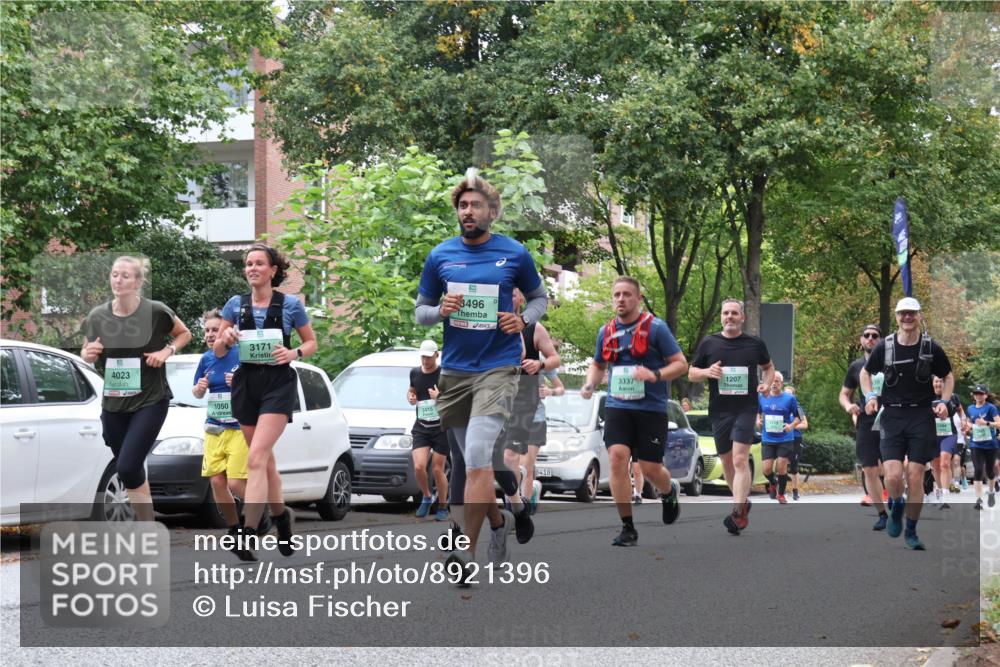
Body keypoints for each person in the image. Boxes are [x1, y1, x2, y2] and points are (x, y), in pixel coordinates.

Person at [415, 169, 547, 584]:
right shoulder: (440, 255)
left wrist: (522, 318)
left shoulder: (515, 253)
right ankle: (505, 516)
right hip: (455, 372)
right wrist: (442, 311)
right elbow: (421, 312)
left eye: (475, 205)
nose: (467, 211)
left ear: (492, 211)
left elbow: (541, 297)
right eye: (462, 205)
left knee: (475, 457)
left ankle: (464, 555)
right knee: (472, 464)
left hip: (498, 369)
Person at [215, 244, 317, 557]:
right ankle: (281, 517)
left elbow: (311, 341)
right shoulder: (235, 305)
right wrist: (226, 339)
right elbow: (218, 350)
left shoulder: (290, 305)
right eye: (248, 264)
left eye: (259, 263)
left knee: (256, 459)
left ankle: (248, 531)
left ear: (273, 270)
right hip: (247, 384)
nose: (252, 268)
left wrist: (294, 353)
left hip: (277, 384)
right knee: (267, 462)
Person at [81, 255, 192, 521]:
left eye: (125, 276)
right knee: (127, 469)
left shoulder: (155, 311)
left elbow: (184, 333)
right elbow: (87, 349)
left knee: (129, 466)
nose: (118, 280)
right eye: (114, 274)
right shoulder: (98, 315)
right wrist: (89, 353)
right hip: (114, 402)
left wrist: (167, 351)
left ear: (139, 281)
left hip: (150, 399)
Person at [580, 276, 687, 546]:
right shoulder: (606, 331)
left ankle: (668, 489)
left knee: (651, 469)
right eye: (616, 294)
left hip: (651, 408)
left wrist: (654, 374)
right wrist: (590, 383)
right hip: (618, 405)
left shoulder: (656, 329)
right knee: (617, 456)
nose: (621, 299)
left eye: (627, 294)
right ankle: (627, 527)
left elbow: (681, 364)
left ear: (638, 298)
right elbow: (597, 364)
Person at [860, 297, 954, 550]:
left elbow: (947, 375)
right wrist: (870, 396)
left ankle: (911, 531)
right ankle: (897, 504)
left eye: (912, 313)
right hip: (891, 416)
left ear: (920, 316)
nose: (907, 318)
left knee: (914, 476)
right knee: (891, 476)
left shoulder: (931, 347)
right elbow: (865, 373)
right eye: (903, 314)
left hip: (921, 416)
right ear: (897, 316)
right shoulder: (885, 347)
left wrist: (944, 401)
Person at [688, 298, 774, 535]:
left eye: (734, 313)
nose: (730, 317)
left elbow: (769, 368)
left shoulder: (754, 344)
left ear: (742, 317)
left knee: (739, 459)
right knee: (727, 462)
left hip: (746, 408)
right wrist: (708, 371)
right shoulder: (709, 343)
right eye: (726, 313)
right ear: (721, 317)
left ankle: (737, 512)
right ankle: (743, 502)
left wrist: (766, 385)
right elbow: (691, 373)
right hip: (719, 411)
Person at [191, 309, 256, 559]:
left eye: (215, 330)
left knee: (236, 482)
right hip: (214, 428)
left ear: (226, 332)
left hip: (239, 428)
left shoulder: (242, 355)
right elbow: (197, 393)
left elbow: (257, 390)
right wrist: (199, 388)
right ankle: (235, 530)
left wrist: (238, 384)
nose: (210, 334)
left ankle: (264, 512)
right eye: (207, 330)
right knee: (216, 481)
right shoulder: (206, 359)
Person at [502, 287, 561, 517]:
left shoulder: (534, 328)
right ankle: (517, 497)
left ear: (521, 298)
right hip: (496, 396)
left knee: (515, 458)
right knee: (502, 459)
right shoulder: (489, 325)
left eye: (514, 293)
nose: (509, 297)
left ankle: (516, 507)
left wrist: (540, 365)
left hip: (526, 398)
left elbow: (555, 359)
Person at [838, 323, 889, 529]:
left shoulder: (891, 363)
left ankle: (896, 500)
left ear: (881, 340)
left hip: (892, 419)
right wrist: (849, 406)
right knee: (869, 468)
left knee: (894, 468)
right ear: (861, 340)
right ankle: (882, 513)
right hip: (867, 420)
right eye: (866, 335)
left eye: (875, 335)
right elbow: (843, 394)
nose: (870, 338)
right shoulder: (856, 366)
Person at [407, 339, 450, 521]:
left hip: (441, 427)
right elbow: (411, 390)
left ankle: (442, 505)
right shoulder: (415, 372)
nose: (425, 361)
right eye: (423, 357)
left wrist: (439, 397)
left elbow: (454, 399)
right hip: (422, 426)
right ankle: (426, 496)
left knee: (438, 469)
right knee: (418, 466)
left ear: (436, 356)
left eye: (429, 357)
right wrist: (410, 397)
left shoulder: (444, 374)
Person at [757, 372, 800, 504]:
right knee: (766, 469)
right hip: (768, 439)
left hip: (785, 438)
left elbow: (799, 417)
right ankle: (773, 483)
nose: (774, 384)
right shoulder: (762, 397)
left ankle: (781, 494)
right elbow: (757, 412)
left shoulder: (789, 399)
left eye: (777, 381)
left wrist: (791, 426)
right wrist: (757, 421)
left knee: (781, 467)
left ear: (781, 384)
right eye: (772, 381)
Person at [964, 384, 1000, 510]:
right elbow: (969, 422)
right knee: (978, 469)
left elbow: (999, 424)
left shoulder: (991, 408)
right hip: (976, 444)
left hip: (991, 445)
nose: (978, 395)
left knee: (990, 472)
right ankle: (979, 500)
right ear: (973, 395)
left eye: (981, 393)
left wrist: (986, 423)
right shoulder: (970, 408)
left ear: (985, 395)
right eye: (976, 393)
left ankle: (991, 492)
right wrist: (967, 426)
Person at [930, 375, 963, 509]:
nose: (939, 384)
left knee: (945, 463)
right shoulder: (926, 397)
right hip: (932, 435)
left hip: (949, 434)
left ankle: (945, 495)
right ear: (932, 383)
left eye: (941, 381)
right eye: (936, 381)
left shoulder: (952, 396)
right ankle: (940, 491)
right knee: (936, 466)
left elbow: (960, 409)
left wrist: (964, 420)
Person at [784, 384, 808, 500]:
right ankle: (781, 490)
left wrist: (792, 426)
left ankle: (795, 490)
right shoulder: (781, 407)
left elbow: (805, 424)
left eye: (789, 394)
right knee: (781, 464)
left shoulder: (798, 408)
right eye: (785, 393)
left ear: (793, 396)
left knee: (794, 466)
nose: (787, 396)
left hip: (795, 438)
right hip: (783, 438)